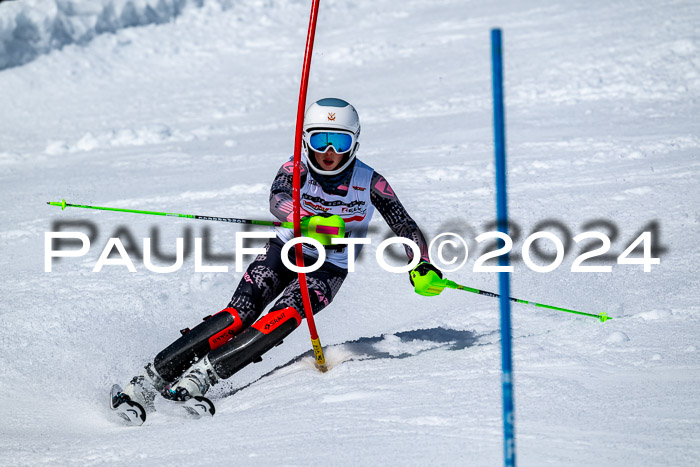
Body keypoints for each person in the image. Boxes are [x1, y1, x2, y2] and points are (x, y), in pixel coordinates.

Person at [116, 98, 444, 413]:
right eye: (321, 140)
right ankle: (149, 379)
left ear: (354, 144)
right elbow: (277, 198)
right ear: (306, 140)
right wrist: (305, 220)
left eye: (339, 143)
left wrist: (422, 263)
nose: (329, 152)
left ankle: (202, 377)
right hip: (284, 251)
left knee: (285, 316)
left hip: (328, 269)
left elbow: (403, 223)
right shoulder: (296, 167)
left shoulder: (370, 182)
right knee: (238, 315)